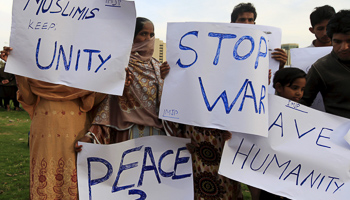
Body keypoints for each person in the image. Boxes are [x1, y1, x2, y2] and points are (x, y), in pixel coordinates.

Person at [1, 47, 106, 198]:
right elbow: (29, 99)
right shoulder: (37, 63)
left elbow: (91, 102)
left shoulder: (82, 63)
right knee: (45, 179)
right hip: (45, 128)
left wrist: (113, 78)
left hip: (76, 128)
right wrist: (18, 66)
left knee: (75, 179)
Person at [75, 17, 170, 147]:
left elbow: (166, 105)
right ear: (131, 35)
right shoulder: (119, 64)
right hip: (126, 132)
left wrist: (168, 80)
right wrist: (92, 136)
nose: (149, 38)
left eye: (152, 34)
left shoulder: (158, 67)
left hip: (157, 135)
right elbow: (106, 99)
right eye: (143, 33)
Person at [300, 10, 350, 119]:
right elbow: (302, 104)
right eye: (337, 42)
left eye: (349, 41)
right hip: (341, 134)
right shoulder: (320, 68)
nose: (344, 47)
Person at [230, 2, 288, 69]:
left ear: (254, 23)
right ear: (232, 23)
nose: (246, 23)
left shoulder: (264, 45)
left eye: (250, 20)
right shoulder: (224, 45)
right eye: (242, 19)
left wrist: (279, 65)